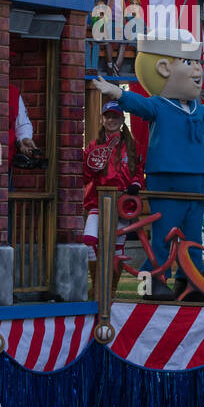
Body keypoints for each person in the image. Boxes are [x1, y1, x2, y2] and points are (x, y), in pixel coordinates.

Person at [91, 29, 204, 300]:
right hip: (167, 177)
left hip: (197, 178)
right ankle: (152, 280)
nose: (197, 68)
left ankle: (192, 281)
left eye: (197, 62)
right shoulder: (160, 106)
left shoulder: (198, 108)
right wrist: (118, 93)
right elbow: (139, 104)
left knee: (192, 235)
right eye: (189, 62)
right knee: (164, 234)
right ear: (163, 68)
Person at [81, 101, 141, 296]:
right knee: (90, 241)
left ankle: (111, 290)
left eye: (115, 116)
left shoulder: (132, 146)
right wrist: (91, 168)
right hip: (97, 201)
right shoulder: (93, 145)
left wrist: (136, 185)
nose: (111, 120)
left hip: (123, 204)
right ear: (103, 119)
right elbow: (84, 176)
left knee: (117, 247)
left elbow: (139, 172)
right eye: (108, 116)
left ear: (122, 120)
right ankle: (98, 286)